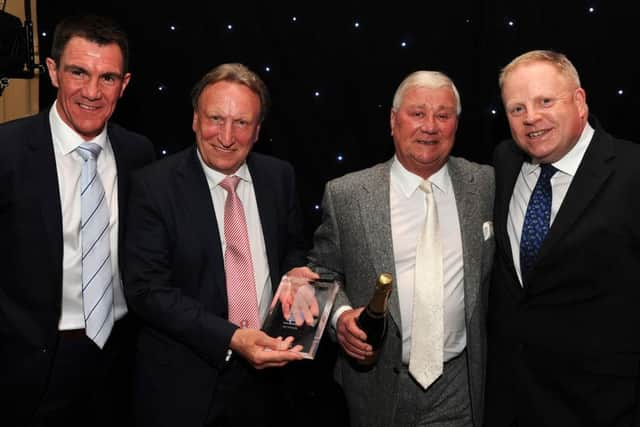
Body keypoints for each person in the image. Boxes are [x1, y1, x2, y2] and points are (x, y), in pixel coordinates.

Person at [297, 71, 494, 426]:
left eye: (443, 115)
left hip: (460, 385)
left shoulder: (485, 184)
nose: (430, 126)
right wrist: (340, 319)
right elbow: (321, 274)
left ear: (456, 124)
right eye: (417, 113)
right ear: (393, 121)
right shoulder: (347, 195)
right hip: (376, 385)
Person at [123, 63, 312, 427]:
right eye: (215, 119)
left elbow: (292, 247)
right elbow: (147, 290)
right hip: (184, 387)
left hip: (272, 384)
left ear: (257, 131)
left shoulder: (279, 177)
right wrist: (232, 338)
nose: (226, 136)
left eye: (241, 123)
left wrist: (294, 272)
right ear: (195, 119)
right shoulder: (153, 186)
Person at [0, 14, 155, 426]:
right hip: (27, 368)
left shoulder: (139, 155)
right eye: (78, 73)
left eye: (107, 78)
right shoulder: (7, 151)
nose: (92, 92)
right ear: (53, 72)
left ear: (124, 85)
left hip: (120, 360)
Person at [485, 50, 640, 426]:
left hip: (605, 406)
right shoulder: (504, 161)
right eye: (516, 109)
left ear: (580, 101)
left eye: (545, 101)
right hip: (513, 400)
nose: (531, 118)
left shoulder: (633, 171)